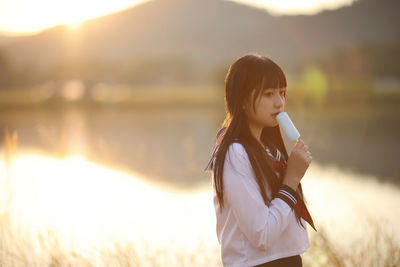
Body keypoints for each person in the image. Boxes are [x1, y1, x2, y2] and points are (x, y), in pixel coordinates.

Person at [204, 53, 317, 267]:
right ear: (243, 100)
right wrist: (291, 179)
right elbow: (262, 234)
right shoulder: (235, 153)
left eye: (282, 93)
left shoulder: (268, 148)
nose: (279, 102)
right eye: (268, 94)